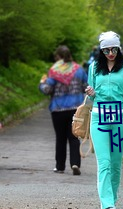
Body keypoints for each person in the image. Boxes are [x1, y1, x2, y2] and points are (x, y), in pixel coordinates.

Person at [85, 31, 123, 209]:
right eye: (106, 50)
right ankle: (107, 205)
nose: (110, 53)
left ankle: (112, 201)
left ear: (119, 48)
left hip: (119, 120)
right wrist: (90, 92)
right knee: (104, 162)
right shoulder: (93, 68)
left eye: (114, 49)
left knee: (116, 163)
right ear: (101, 50)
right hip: (99, 119)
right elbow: (91, 97)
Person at [39, 45, 88, 175]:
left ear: (58, 57)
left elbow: (47, 90)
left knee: (60, 138)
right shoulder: (79, 70)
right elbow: (86, 87)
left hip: (58, 109)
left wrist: (42, 83)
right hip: (75, 109)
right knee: (74, 137)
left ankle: (60, 166)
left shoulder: (54, 71)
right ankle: (75, 163)